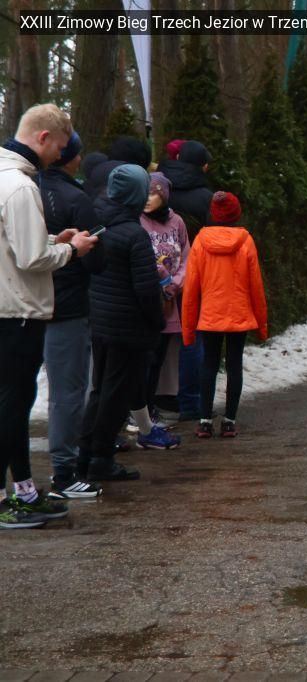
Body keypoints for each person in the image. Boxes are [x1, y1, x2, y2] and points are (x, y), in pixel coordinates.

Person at [0, 104, 98, 528]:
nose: (61, 155)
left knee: (11, 403)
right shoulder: (21, 187)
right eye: (59, 146)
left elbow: (14, 244)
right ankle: (11, 497)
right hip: (18, 310)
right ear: (43, 137)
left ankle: (21, 490)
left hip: (7, 305)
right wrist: (72, 250)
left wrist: (52, 239)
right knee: (13, 405)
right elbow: (30, 258)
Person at [80, 164, 170, 482]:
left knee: (100, 390)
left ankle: (85, 453)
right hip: (128, 328)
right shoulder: (134, 235)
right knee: (116, 396)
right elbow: (146, 289)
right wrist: (156, 321)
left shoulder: (97, 223)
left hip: (101, 321)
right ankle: (101, 458)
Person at [39, 130, 106, 499]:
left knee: (15, 392)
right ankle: (64, 473)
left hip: (21, 304)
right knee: (67, 392)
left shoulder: (24, 190)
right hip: (66, 306)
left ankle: (16, 479)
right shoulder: (77, 199)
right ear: (69, 156)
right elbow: (97, 259)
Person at [181, 191, 268, 439]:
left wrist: (188, 329)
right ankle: (229, 421)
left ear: (213, 213)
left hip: (210, 314)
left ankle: (204, 421)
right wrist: (262, 326)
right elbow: (256, 286)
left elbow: (191, 288)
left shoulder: (201, 241)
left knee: (208, 364)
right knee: (234, 364)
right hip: (239, 314)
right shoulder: (246, 241)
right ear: (236, 214)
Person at [157, 140, 213, 422]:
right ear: (203, 166)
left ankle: (152, 399)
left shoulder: (160, 188)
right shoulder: (206, 197)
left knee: (157, 338)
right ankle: (190, 402)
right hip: (194, 273)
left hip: (158, 273)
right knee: (192, 336)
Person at [139, 171, 190, 430]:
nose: (148, 199)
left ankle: (150, 409)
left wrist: (174, 284)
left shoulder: (176, 222)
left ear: (165, 195)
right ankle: (138, 411)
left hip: (168, 303)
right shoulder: (137, 220)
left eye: (154, 193)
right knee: (143, 360)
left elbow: (186, 259)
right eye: (145, 193)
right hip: (145, 300)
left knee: (157, 359)